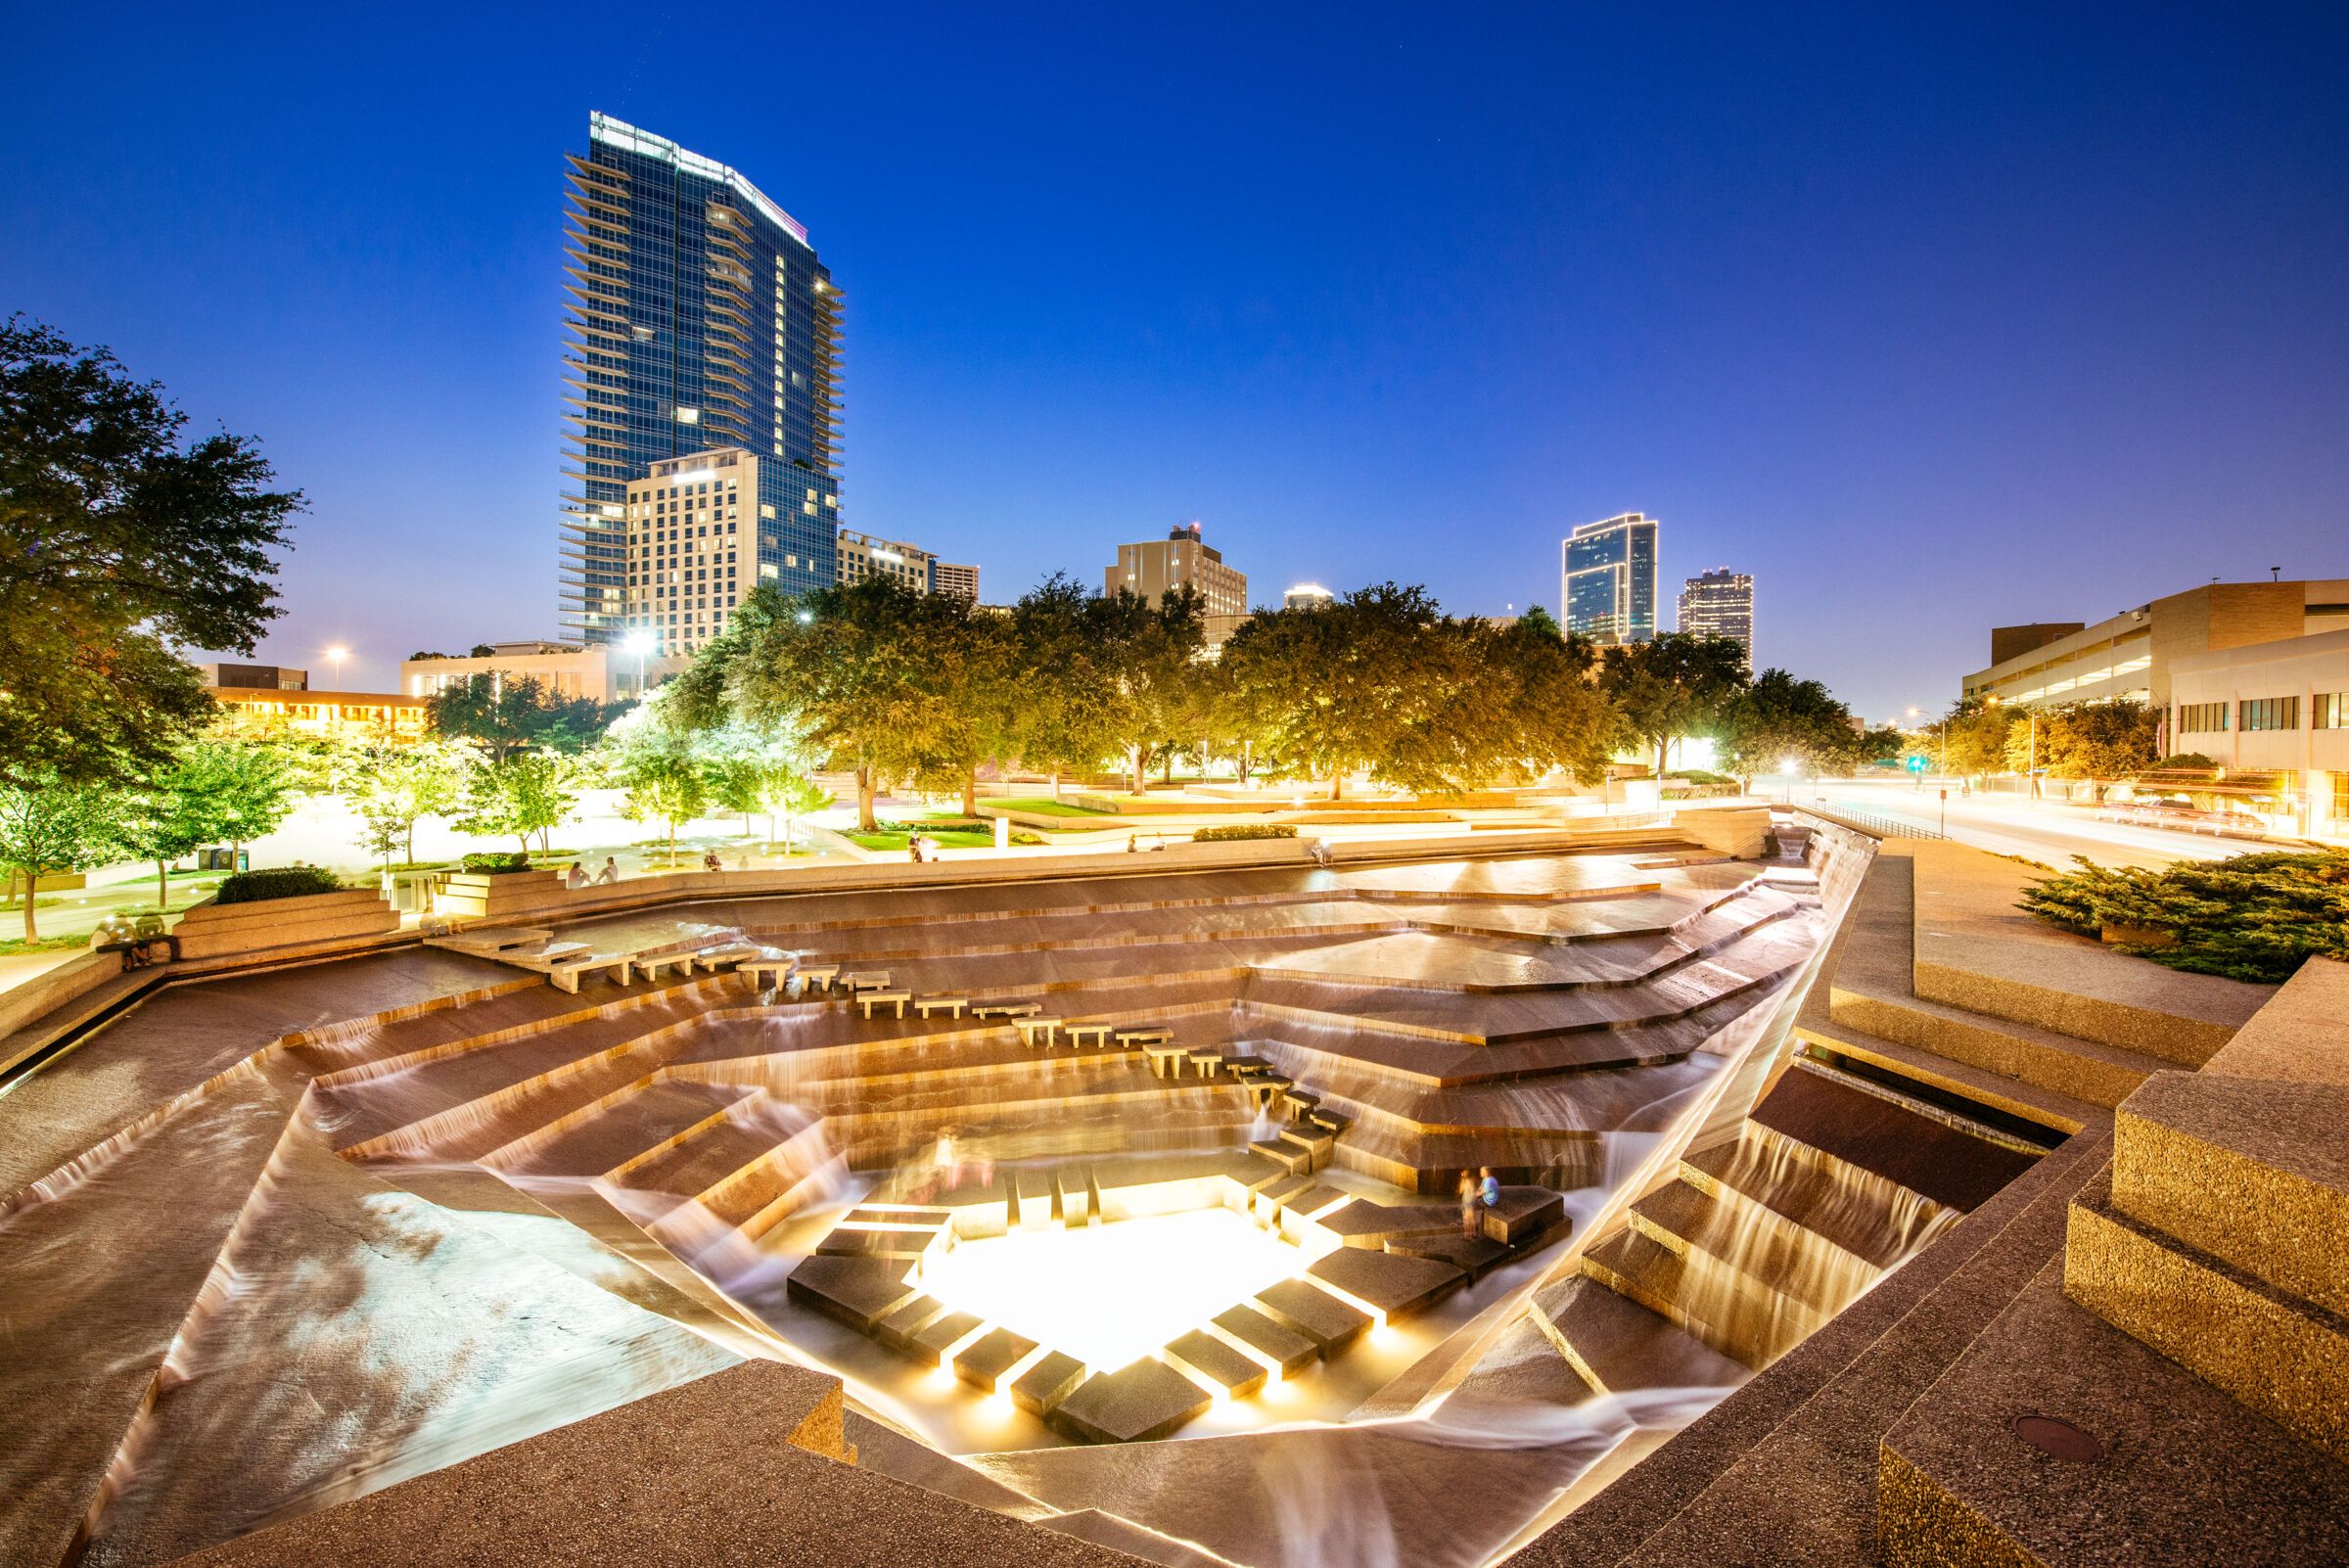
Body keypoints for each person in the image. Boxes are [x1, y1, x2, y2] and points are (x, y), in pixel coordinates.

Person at [1458, 1171, 1480, 1238]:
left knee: (1466, 1219)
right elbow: (1477, 1190)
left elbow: (1460, 1191)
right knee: (1473, 1218)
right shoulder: (1474, 1180)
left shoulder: (1465, 1181)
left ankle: (1467, 1235)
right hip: (1473, 1200)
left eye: (1462, 1173)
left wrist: (1462, 1180)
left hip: (1467, 1201)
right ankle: (1474, 1233)